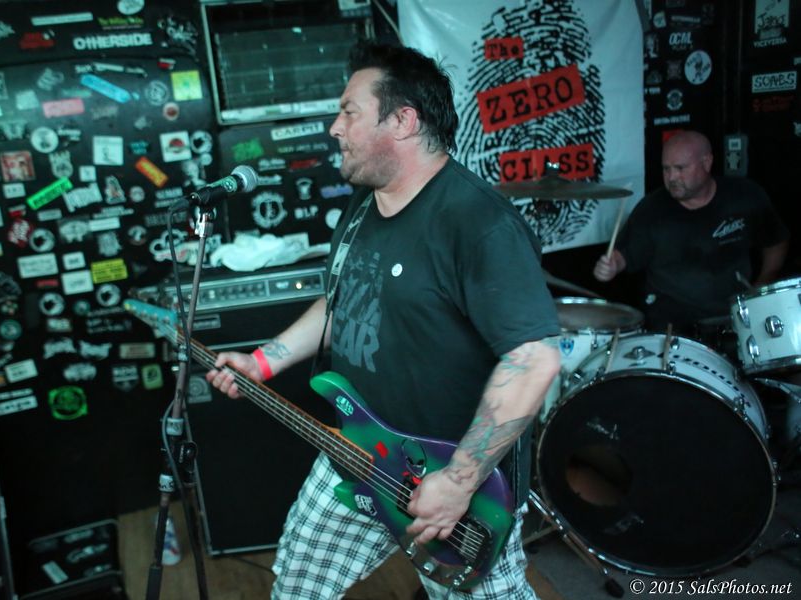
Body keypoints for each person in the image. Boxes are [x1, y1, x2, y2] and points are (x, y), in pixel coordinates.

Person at [206, 42, 560, 599]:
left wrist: (459, 481)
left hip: (451, 484)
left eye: (349, 111)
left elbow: (534, 359)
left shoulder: (477, 223)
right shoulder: (364, 203)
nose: (334, 127)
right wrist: (263, 361)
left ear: (402, 121)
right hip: (356, 454)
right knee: (296, 588)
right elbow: (344, 300)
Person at [593, 130, 789, 334]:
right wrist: (612, 265)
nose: (672, 177)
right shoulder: (651, 209)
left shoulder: (744, 196)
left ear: (706, 162)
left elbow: (775, 240)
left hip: (733, 316)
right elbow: (624, 255)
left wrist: (767, 278)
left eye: (680, 168)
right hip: (672, 324)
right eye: (666, 169)